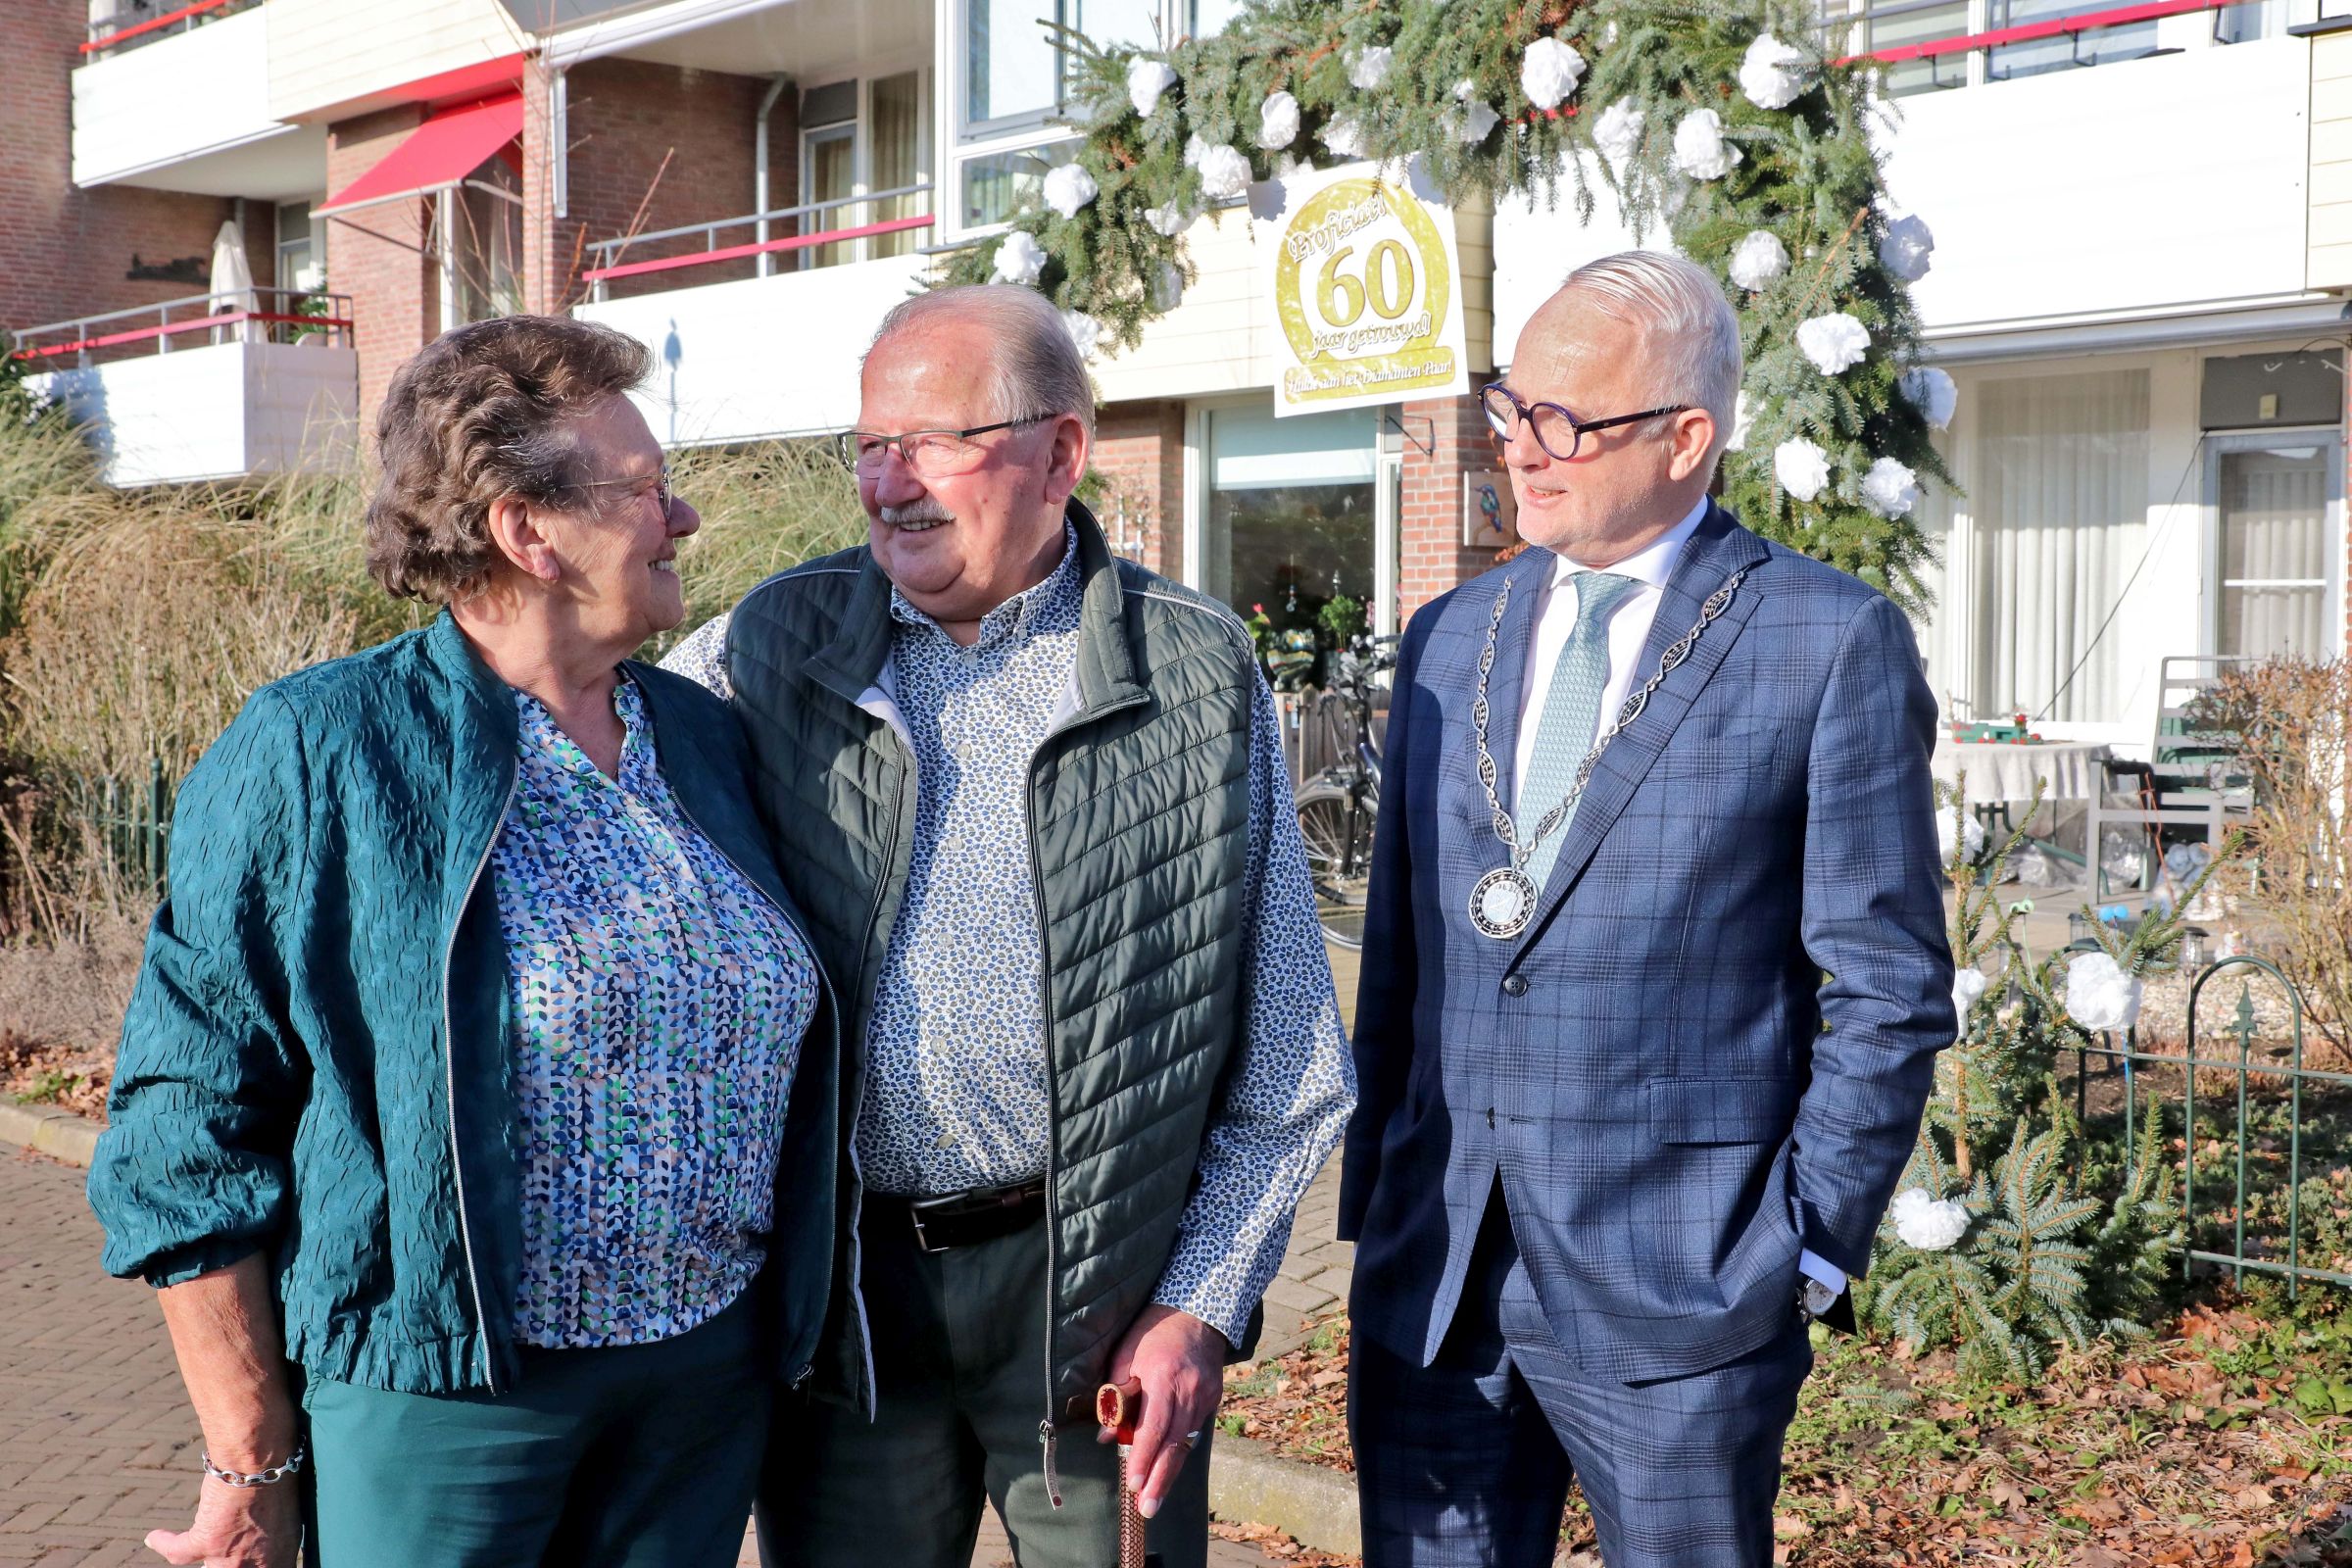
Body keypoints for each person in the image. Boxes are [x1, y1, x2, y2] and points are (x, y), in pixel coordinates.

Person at [87, 316, 844, 1568]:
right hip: (447, 1405)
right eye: (650, 489)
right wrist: (251, 1454)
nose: (686, 517)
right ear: (525, 530)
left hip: (703, 1387)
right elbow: (185, 1126)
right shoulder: (323, 751)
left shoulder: (704, 739)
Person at [662, 281, 1355, 1568]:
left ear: (1061, 454)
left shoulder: (1197, 671)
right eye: (870, 446)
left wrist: (1197, 1308)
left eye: (933, 442)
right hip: (850, 1296)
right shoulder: (766, 644)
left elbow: (1294, 1068)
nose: (888, 484)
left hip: (1093, 1301)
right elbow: (592, 747)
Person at [1340, 251, 1955, 1567]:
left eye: (1565, 421)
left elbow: (1889, 987)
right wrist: (1380, 1198)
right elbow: (1404, 954)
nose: (1524, 450)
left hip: (1690, 1295)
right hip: (1437, 1272)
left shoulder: (1827, 643)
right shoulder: (1451, 633)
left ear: (1689, 437)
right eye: (1512, 410)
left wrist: (1806, 1251)